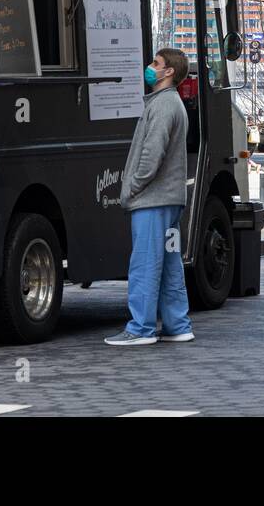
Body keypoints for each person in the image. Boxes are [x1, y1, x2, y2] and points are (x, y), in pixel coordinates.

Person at [105, 48, 195, 346]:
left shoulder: (162, 106)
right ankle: (177, 325)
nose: (150, 67)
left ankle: (140, 329)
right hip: (170, 201)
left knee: (144, 263)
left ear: (169, 72)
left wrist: (131, 189)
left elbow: (151, 155)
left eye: (156, 63)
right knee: (170, 264)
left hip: (152, 201)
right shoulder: (173, 104)